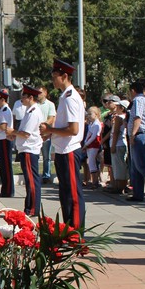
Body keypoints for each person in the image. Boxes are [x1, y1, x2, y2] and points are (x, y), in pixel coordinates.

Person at [40, 59, 86, 230]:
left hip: (69, 150)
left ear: (64, 76)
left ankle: (76, 232)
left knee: (72, 194)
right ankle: (68, 229)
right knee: (65, 193)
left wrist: (50, 129)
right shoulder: (65, 96)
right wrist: (50, 133)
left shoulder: (70, 98)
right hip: (62, 150)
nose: (53, 80)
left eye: (55, 76)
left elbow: (73, 129)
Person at [10, 85, 45, 217]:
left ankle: (33, 208)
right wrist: (14, 135)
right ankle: (29, 206)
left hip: (30, 149)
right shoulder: (29, 111)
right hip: (25, 149)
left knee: (32, 180)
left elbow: (26, 133)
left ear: (30, 97)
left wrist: (12, 132)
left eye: (23, 97)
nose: (21, 100)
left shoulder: (34, 112)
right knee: (29, 180)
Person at [0, 89, 14, 197]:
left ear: (2, 99)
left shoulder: (6, 110)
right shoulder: (2, 110)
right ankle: (5, 189)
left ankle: (8, 190)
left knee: (6, 165)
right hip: (0, 139)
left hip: (4, 139)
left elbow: (3, 126)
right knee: (2, 166)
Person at [107, 99, 130, 194]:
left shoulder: (119, 118)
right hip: (122, 144)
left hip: (118, 144)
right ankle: (121, 186)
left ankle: (119, 186)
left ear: (122, 108)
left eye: (118, 106)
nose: (116, 108)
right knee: (121, 166)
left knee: (118, 167)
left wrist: (113, 145)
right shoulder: (125, 117)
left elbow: (116, 132)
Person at [37, 86, 57, 183]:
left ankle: (46, 175)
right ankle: (35, 174)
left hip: (46, 133)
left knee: (46, 156)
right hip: (36, 133)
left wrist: (44, 127)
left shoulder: (50, 104)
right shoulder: (35, 104)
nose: (38, 94)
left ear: (45, 93)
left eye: (40, 92)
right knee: (35, 156)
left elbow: (51, 118)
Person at [83, 106, 103, 188]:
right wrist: (85, 143)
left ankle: (95, 181)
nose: (88, 116)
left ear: (96, 114)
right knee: (91, 162)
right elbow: (88, 134)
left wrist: (86, 144)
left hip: (93, 145)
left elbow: (94, 136)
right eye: (88, 114)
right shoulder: (91, 124)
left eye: (90, 114)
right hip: (89, 145)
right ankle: (94, 181)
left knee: (91, 162)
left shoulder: (97, 124)